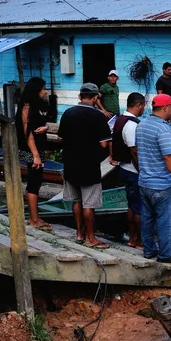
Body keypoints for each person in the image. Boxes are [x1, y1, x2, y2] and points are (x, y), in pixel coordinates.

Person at [58, 83, 112, 249]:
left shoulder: (67, 113)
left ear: (80, 96)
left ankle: (79, 234)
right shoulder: (98, 116)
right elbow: (104, 145)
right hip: (89, 165)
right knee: (89, 204)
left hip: (70, 163)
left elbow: (60, 138)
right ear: (95, 97)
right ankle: (91, 238)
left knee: (76, 201)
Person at [136, 94, 171, 264]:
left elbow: (137, 151)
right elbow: (169, 158)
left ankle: (149, 251)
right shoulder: (163, 129)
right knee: (167, 222)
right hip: (162, 185)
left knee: (147, 219)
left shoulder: (141, 125)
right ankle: (166, 255)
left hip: (144, 182)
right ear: (165, 108)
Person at [15, 77, 51, 231]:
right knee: (34, 183)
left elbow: (39, 124)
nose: (45, 91)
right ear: (36, 90)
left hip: (38, 148)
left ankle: (33, 216)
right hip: (32, 149)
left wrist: (46, 128)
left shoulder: (36, 105)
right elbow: (27, 132)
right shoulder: (27, 106)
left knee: (36, 182)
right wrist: (35, 154)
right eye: (43, 89)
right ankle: (34, 219)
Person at [112, 92, 145, 248]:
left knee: (132, 205)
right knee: (138, 207)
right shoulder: (131, 124)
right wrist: (142, 171)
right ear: (138, 105)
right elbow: (134, 151)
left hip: (124, 168)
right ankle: (138, 240)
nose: (144, 108)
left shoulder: (120, 120)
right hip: (133, 170)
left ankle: (132, 239)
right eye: (143, 105)